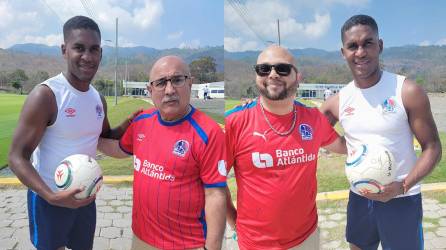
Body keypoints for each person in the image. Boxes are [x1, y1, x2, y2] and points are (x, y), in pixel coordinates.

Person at [7, 16, 135, 250]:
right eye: (79, 48)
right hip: (49, 198)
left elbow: (104, 137)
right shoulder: (46, 95)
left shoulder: (98, 98)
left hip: (86, 195)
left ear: (101, 53)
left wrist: (129, 123)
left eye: (94, 49)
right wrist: (50, 196)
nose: (87, 56)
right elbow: (17, 157)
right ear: (64, 50)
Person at [320, 14, 442, 250]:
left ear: (380, 45)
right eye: (352, 46)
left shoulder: (406, 91)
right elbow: (308, 128)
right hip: (359, 196)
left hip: (402, 199)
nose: (360, 52)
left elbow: (433, 147)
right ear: (343, 52)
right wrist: (347, 148)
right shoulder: (339, 100)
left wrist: (403, 185)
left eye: (368, 43)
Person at [98, 55, 227, 250]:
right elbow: (119, 149)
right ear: (150, 90)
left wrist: (213, 247)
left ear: (190, 83)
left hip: (188, 244)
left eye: (177, 80)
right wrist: (88, 142)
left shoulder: (208, 132)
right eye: (160, 83)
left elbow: (216, 195)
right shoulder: (141, 122)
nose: (169, 90)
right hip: (141, 239)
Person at [225, 45, 347, 249]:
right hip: (255, 243)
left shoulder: (313, 118)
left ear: (297, 76)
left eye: (282, 69)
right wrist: (234, 222)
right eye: (264, 69)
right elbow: (213, 184)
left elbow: (343, 146)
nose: (272, 74)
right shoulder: (235, 123)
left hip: (307, 238)